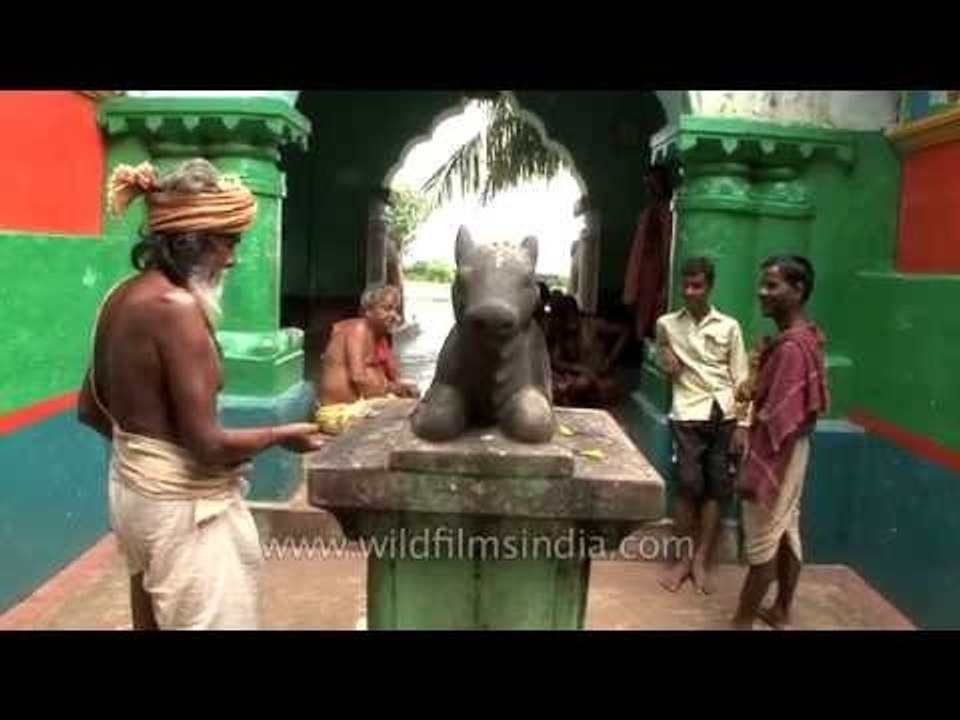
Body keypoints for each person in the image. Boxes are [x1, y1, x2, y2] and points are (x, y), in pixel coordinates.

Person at [77, 158, 325, 631]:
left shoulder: (120, 298)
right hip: (181, 511)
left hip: (133, 497)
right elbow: (207, 446)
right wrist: (280, 433)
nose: (231, 258)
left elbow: (89, 409)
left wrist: (146, 460)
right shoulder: (178, 311)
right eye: (227, 242)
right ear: (192, 241)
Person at [732, 256, 828, 630]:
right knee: (786, 529)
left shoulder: (790, 349)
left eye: (772, 285)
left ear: (798, 289)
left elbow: (776, 417)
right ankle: (781, 609)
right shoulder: (803, 339)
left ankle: (740, 621)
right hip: (795, 448)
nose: (762, 292)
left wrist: (757, 463)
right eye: (763, 283)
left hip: (778, 450)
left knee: (763, 540)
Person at [655, 257, 749, 595]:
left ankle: (701, 560)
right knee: (688, 486)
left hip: (723, 414)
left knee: (717, 488)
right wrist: (665, 359)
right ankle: (681, 560)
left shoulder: (729, 326)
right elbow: (665, 360)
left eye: (697, 286)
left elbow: (741, 377)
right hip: (688, 414)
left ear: (710, 286)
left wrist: (743, 424)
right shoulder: (667, 324)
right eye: (686, 285)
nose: (690, 292)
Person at [317, 284, 419, 409]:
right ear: (368, 311)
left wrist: (400, 388)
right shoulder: (358, 330)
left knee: (414, 396)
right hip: (342, 410)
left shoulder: (379, 335)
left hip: (363, 404)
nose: (394, 315)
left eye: (395, 310)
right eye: (387, 309)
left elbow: (394, 374)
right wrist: (390, 390)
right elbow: (358, 378)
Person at [622, 164, 674, 342]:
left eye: (655, 182)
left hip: (662, 270)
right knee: (643, 318)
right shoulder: (648, 212)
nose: (652, 188)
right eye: (649, 184)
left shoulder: (671, 210)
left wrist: (665, 277)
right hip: (646, 271)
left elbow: (667, 242)